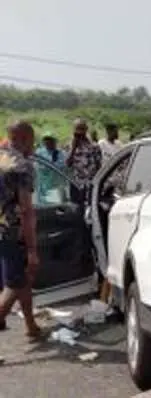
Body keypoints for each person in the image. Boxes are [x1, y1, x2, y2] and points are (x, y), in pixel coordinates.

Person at [0, 121, 43, 340]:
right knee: (13, 284)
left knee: (21, 279)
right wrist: (33, 249)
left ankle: (31, 325)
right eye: (32, 142)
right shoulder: (21, 165)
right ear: (26, 139)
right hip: (11, 232)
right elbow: (26, 210)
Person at [66, 118, 102, 203]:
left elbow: (99, 166)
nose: (79, 132)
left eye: (82, 129)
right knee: (77, 210)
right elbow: (68, 164)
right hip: (76, 184)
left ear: (86, 130)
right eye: (77, 129)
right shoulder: (70, 145)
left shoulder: (94, 146)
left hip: (90, 184)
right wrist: (73, 148)